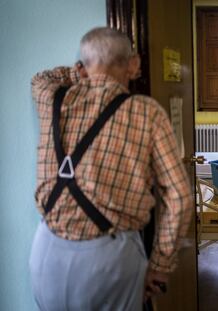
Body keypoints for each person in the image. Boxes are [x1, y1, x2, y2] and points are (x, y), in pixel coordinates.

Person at [29, 27, 193, 310]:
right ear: (135, 64)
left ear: (83, 65)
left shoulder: (53, 98)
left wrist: (80, 70)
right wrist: (160, 267)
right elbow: (179, 197)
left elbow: (40, 78)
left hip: (46, 252)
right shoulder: (146, 111)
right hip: (108, 259)